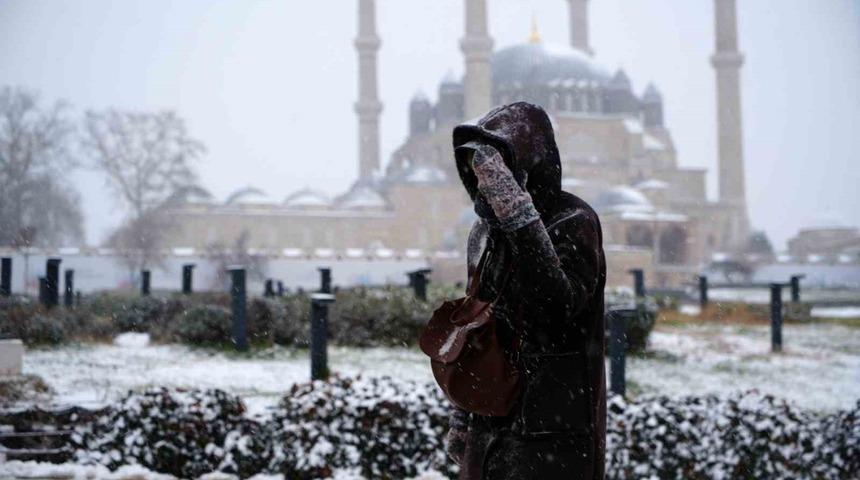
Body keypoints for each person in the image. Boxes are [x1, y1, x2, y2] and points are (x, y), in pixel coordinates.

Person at [445, 102, 606, 479]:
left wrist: (518, 214)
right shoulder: (484, 233)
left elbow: (554, 305)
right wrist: (463, 414)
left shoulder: (574, 221)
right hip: (490, 427)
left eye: (496, 170)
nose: (487, 182)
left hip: (551, 430)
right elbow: (477, 326)